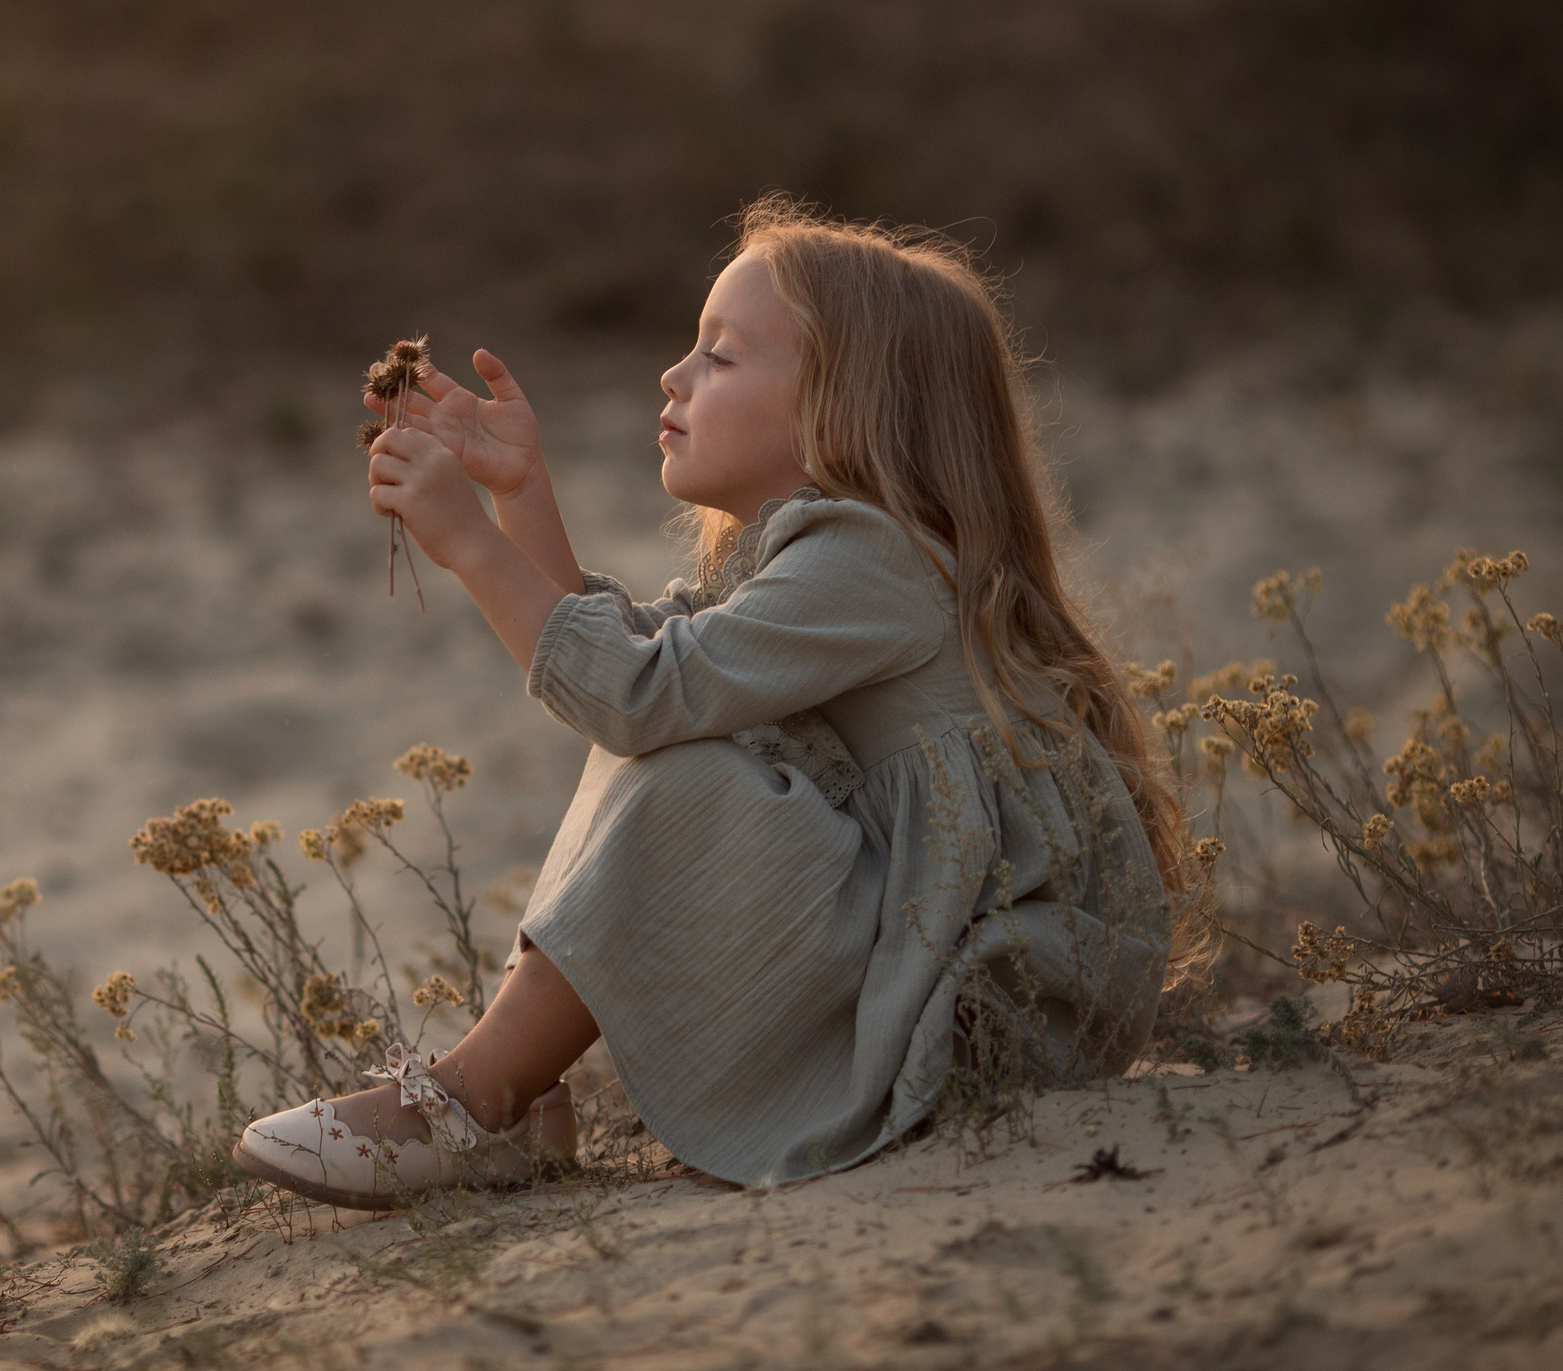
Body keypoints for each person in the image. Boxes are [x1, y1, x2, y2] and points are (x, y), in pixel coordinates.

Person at [230, 201, 1200, 1210]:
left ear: (840, 410)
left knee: (685, 765)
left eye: (719, 357)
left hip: (983, 1012)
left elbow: (636, 694)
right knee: (673, 736)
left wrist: (470, 543)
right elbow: (631, 670)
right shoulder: (815, 555)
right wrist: (519, 493)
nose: (673, 375)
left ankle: (475, 1101)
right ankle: (509, 1099)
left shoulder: (872, 560)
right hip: (918, 964)